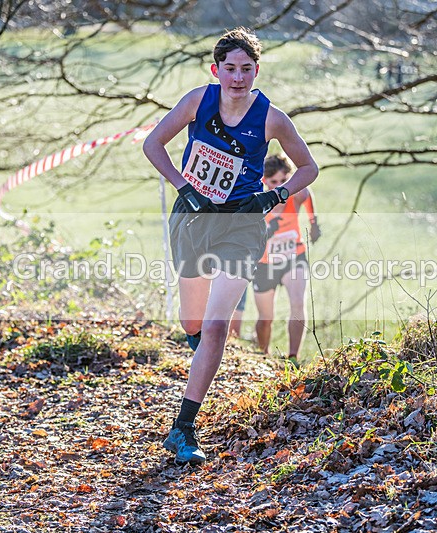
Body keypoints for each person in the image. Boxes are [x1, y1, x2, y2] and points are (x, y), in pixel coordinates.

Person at [142, 27, 318, 465]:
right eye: (230, 69)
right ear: (216, 69)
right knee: (194, 323)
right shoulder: (197, 102)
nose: (238, 78)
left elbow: (308, 168)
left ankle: (183, 428)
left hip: (242, 224)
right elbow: (153, 144)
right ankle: (199, 344)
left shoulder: (272, 118)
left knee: (217, 327)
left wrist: (273, 196)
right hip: (194, 219)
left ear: (257, 71)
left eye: (246, 69)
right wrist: (184, 186)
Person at [253, 154, 321, 367]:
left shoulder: (295, 195)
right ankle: (263, 356)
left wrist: (314, 222)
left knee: (298, 304)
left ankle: (293, 358)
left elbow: (307, 193)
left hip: (294, 257)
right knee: (266, 317)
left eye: (284, 181)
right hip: (264, 265)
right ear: (264, 181)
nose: (279, 187)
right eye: (273, 182)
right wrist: (268, 231)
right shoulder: (257, 199)